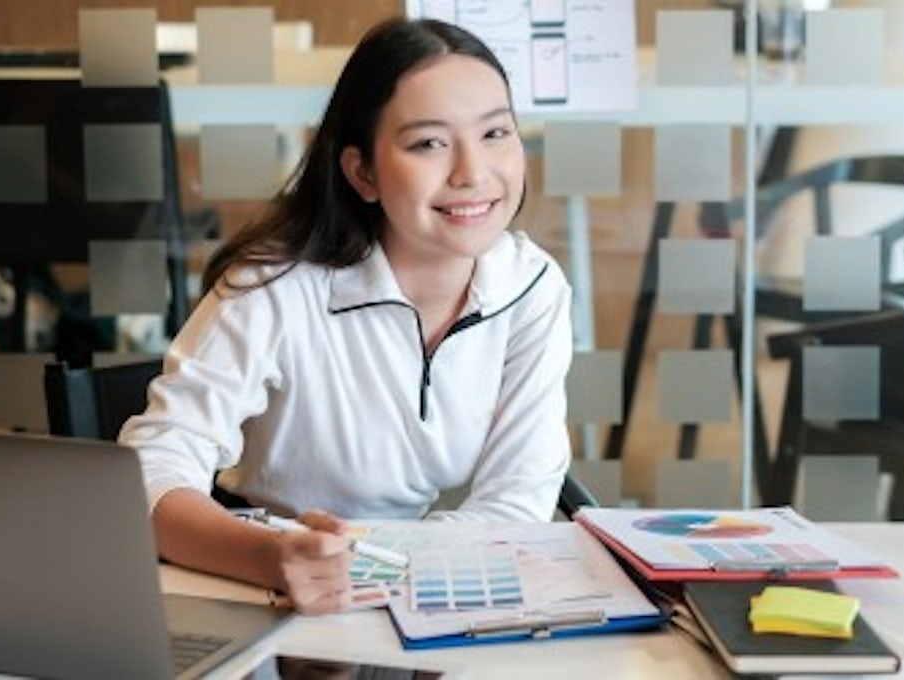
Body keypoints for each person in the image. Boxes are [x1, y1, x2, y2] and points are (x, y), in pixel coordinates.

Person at [118, 18, 573, 615]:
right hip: (258, 593)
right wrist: (267, 557)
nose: (472, 172)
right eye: (428, 143)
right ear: (362, 172)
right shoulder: (274, 285)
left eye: (496, 133)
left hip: (414, 595)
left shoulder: (531, 288)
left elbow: (518, 500)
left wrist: (384, 562)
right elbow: (152, 469)